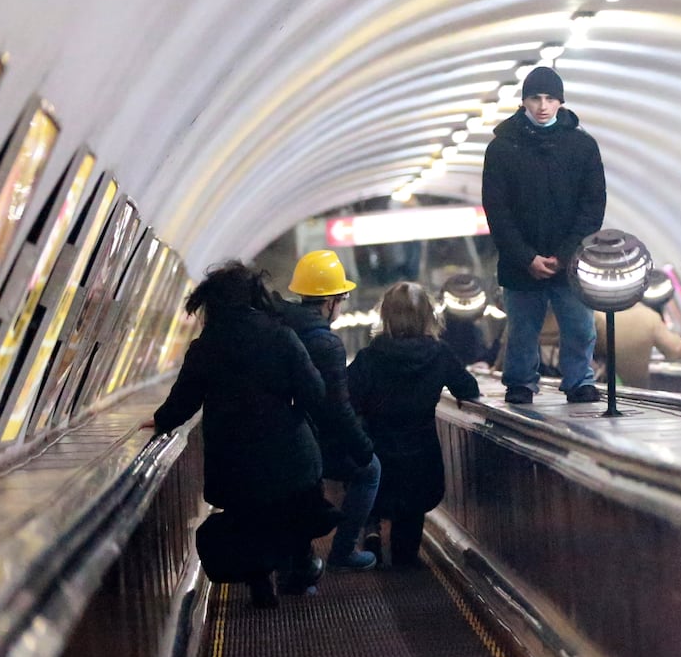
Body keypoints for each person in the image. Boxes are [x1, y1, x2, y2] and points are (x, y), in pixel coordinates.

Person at [151, 262, 334, 609]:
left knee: (247, 515)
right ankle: (299, 566)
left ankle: (259, 581)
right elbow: (315, 391)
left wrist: (160, 421)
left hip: (232, 457)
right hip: (287, 450)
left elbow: (184, 401)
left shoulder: (206, 347)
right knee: (292, 505)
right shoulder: (281, 335)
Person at [481, 64, 607, 405]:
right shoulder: (502, 149)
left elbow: (592, 207)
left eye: (550, 98)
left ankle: (579, 380)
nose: (542, 105)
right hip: (520, 263)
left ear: (561, 103)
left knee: (580, 328)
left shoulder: (582, 147)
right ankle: (520, 382)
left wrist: (566, 254)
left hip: (571, 261)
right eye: (535, 98)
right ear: (523, 102)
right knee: (522, 330)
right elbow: (497, 211)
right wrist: (526, 257)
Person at [348, 282, 481, 568]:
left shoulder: (369, 357)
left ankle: (371, 530)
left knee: (375, 494)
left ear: (385, 316)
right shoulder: (439, 354)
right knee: (412, 507)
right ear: (428, 316)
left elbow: (348, 398)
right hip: (421, 446)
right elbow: (467, 388)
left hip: (377, 444)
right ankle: (404, 560)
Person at [279, 250, 381, 573]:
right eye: (342, 299)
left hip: (280, 435)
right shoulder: (326, 343)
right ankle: (344, 550)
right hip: (314, 441)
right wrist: (363, 447)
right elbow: (337, 407)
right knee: (370, 470)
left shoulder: (281, 329)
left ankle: (296, 559)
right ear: (329, 302)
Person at [593, 300, 681, 388]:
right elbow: (676, 350)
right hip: (637, 396)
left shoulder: (595, 315)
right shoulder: (649, 316)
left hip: (601, 396)